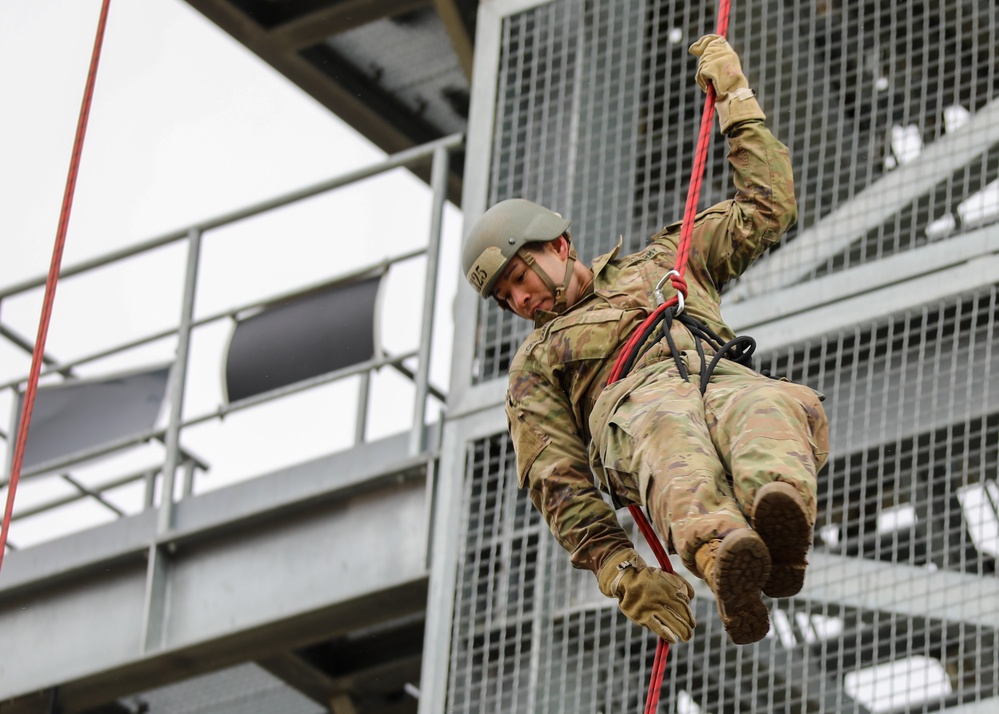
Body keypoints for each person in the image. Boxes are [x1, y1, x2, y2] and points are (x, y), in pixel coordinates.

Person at [460, 35, 829, 646]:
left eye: (519, 278)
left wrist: (736, 99)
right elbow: (557, 479)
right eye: (506, 298)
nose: (519, 301)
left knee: (778, 405)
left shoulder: (666, 262)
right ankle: (724, 559)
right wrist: (621, 569)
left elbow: (766, 210)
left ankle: (779, 524)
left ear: (558, 245)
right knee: (669, 436)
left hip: (717, 375)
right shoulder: (538, 363)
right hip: (637, 413)